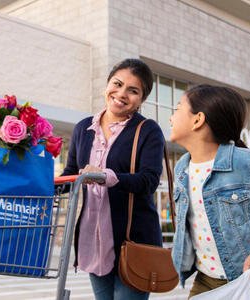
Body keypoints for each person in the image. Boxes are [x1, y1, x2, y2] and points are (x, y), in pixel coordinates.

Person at [169, 84, 250, 298]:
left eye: (177, 109)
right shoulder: (181, 168)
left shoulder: (248, 164)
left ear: (198, 120)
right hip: (205, 280)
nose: (171, 117)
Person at [61, 58, 165, 300]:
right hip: (93, 239)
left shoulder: (148, 130)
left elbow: (149, 181)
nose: (121, 94)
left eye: (133, 90)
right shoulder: (83, 128)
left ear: (142, 99)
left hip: (133, 242)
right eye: (117, 84)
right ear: (106, 85)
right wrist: (38, 181)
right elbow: (71, 174)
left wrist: (105, 177)